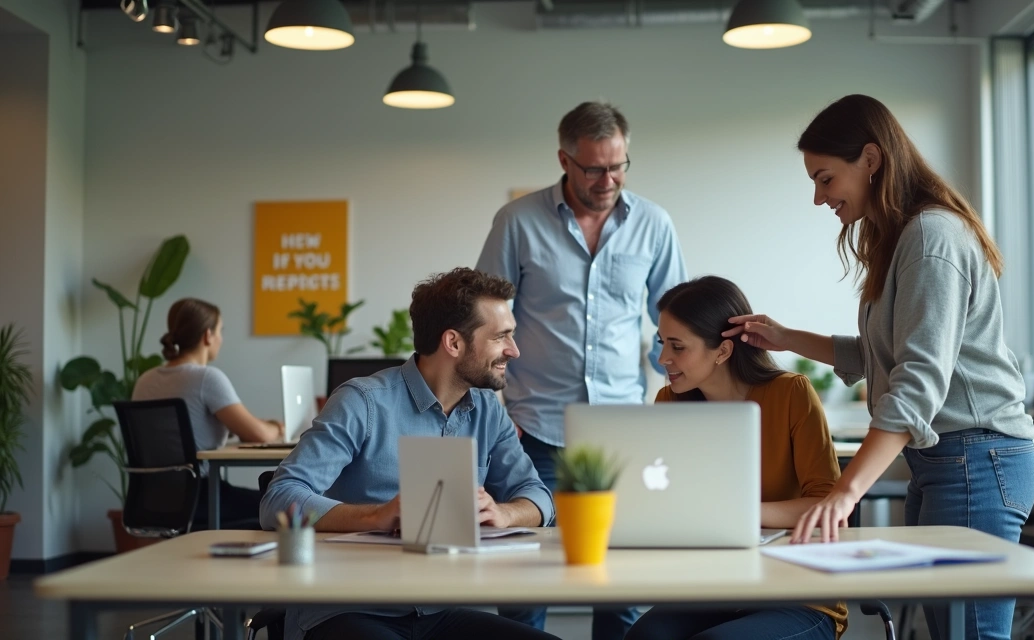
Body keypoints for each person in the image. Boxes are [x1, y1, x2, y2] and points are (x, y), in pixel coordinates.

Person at [725, 94, 1034, 640]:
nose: (819, 198)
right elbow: (880, 356)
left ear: (871, 159)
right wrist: (785, 337)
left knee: (971, 635)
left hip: (976, 459)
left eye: (825, 179)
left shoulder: (930, 238)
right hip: (947, 461)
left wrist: (846, 493)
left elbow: (916, 387)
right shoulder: (901, 237)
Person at [476, 100, 687, 640]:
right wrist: (496, 412)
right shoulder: (518, 222)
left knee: (620, 586)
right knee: (527, 586)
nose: (608, 179)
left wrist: (673, 396)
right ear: (564, 159)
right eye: (594, 168)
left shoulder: (654, 224)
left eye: (618, 166)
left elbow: (677, 324)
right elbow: (485, 322)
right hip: (535, 430)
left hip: (621, 432)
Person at [259, 268, 557, 640]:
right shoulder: (362, 402)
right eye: (501, 337)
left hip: (441, 610)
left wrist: (504, 512)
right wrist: (377, 515)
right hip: (349, 606)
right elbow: (279, 498)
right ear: (453, 342)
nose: (514, 350)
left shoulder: (488, 409)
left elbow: (540, 497)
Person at [624, 275, 847, 640]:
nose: (663, 358)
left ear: (723, 351)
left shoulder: (791, 393)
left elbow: (828, 505)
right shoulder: (669, 403)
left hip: (797, 594)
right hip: (713, 588)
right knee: (644, 637)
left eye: (678, 347)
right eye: (663, 343)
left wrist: (737, 512)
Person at [132, 297, 283, 526]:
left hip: (151, 499)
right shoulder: (206, 378)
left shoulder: (145, 380)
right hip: (201, 498)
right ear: (207, 335)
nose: (221, 338)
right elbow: (259, 435)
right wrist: (277, 427)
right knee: (279, 503)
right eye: (220, 331)